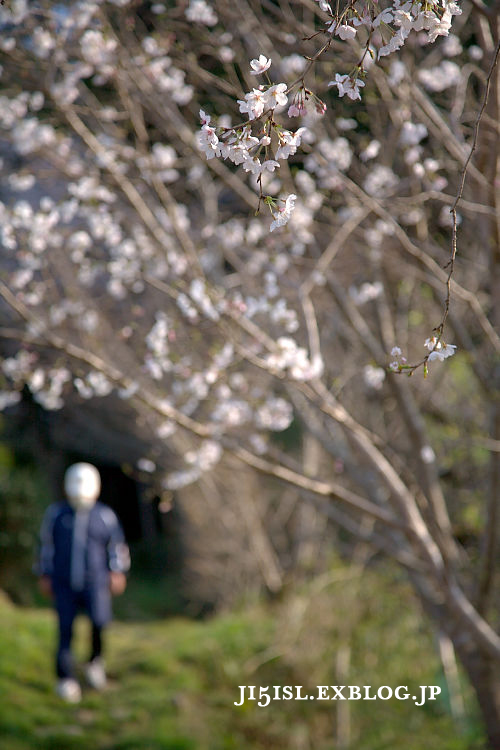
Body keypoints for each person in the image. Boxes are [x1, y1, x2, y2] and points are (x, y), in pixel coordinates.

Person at [37, 462, 130, 703]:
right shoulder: (57, 514)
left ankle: (94, 662)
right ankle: (65, 678)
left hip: (95, 583)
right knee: (65, 629)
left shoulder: (104, 515)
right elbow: (46, 547)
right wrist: (44, 574)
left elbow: (116, 546)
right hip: (64, 583)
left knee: (99, 623)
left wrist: (117, 571)